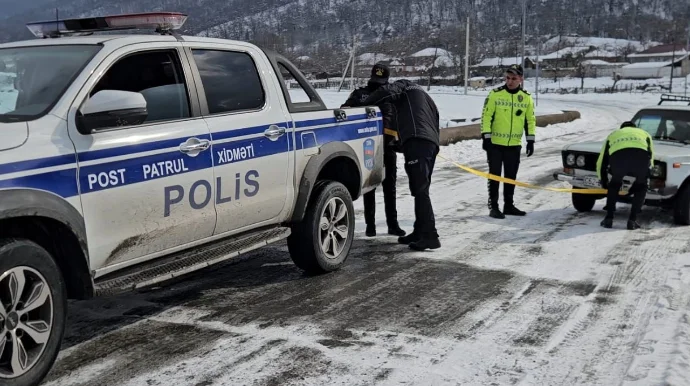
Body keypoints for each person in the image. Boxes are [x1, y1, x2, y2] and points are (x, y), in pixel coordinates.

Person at [361, 78, 441, 251]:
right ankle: (420, 231)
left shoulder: (404, 86)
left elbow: (385, 93)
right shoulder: (425, 96)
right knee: (421, 189)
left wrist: (364, 105)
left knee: (420, 191)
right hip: (430, 143)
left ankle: (430, 236)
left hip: (417, 141)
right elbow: (434, 118)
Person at [341, 63, 406, 238]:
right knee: (380, 188)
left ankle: (382, 226)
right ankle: (381, 226)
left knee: (380, 187)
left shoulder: (368, 95)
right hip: (376, 147)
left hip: (377, 147)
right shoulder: (378, 95)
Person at [480, 64, 536, 219]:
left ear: (521, 79)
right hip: (495, 145)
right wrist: (486, 137)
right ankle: (494, 207)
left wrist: (530, 140)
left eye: (514, 78)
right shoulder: (495, 94)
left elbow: (530, 120)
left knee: (510, 176)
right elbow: (486, 117)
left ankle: (509, 205)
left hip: (514, 145)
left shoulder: (526, 97)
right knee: (495, 175)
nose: (510, 81)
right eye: (508, 78)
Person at [596, 121, 654, 230]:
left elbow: (601, 161)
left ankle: (609, 218)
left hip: (619, 160)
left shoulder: (613, 134)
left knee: (615, 184)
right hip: (640, 159)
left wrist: (603, 181)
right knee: (641, 187)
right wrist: (645, 176)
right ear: (635, 128)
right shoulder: (645, 134)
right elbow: (651, 156)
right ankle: (632, 220)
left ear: (621, 128)